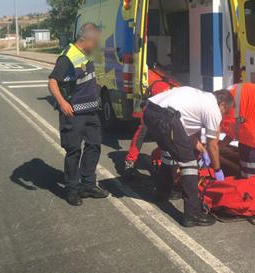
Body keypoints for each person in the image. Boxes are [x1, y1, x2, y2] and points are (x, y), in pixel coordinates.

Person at [143, 86, 234, 227]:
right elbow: (213, 145)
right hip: (167, 118)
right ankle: (192, 214)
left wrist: (203, 151)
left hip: (150, 112)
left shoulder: (198, 98)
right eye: (225, 111)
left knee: (169, 155)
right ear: (222, 104)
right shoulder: (213, 109)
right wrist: (217, 170)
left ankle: (162, 193)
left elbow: (187, 135)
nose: (223, 114)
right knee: (189, 164)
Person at [48, 23, 109, 206]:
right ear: (87, 39)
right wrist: (62, 103)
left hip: (91, 111)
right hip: (74, 113)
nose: (96, 45)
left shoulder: (84, 54)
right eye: (95, 42)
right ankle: (72, 189)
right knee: (73, 151)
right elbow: (52, 82)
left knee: (93, 146)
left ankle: (88, 185)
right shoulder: (67, 57)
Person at [123, 68, 179, 179]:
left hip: (165, 107)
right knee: (142, 132)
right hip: (152, 106)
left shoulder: (175, 88)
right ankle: (129, 162)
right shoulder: (159, 87)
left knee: (166, 136)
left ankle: (158, 158)